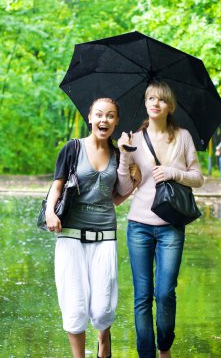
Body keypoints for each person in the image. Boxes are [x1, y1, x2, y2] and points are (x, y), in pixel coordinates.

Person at [45, 98, 139, 358]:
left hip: (105, 235)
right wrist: (51, 212)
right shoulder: (73, 148)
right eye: (99, 115)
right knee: (74, 306)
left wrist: (132, 179)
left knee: (102, 308)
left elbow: (116, 197)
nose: (104, 120)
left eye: (110, 116)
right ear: (89, 117)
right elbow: (57, 186)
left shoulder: (119, 154)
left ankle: (104, 341)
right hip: (71, 234)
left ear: (117, 121)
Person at [116, 81, 204, 358]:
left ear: (170, 106)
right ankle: (146, 354)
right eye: (151, 98)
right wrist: (122, 154)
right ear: (145, 103)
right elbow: (123, 187)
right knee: (142, 295)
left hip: (171, 227)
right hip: (138, 226)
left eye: (161, 100)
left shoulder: (183, 137)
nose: (155, 103)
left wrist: (173, 172)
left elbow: (198, 178)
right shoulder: (135, 139)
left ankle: (164, 348)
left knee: (165, 292)